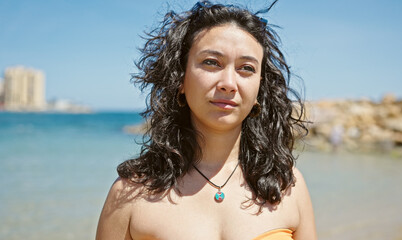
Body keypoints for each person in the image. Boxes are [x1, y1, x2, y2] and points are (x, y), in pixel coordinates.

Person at [96, 1, 317, 239]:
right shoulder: (130, 194)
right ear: (180, 78)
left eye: (246, 68)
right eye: (211, 62)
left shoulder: (289, 185)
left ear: (259, 90)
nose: (229, 83)